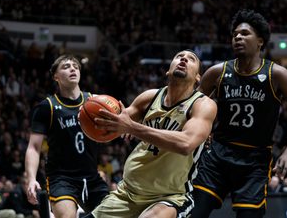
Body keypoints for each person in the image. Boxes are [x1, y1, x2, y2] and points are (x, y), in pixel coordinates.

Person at [191, 9, 287, 218]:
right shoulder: (216, 72)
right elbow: (189, 109)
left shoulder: (276, 74)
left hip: (255, 161)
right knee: (193, 213)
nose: (238, 37)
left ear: (260, 41)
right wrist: (200, 132)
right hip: (218, 155)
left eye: (245, 33)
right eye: (235, 34)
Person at [84, 50, 217, 218]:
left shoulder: (203, 105)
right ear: (168, 70)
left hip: (170, 197)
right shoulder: (149, 97)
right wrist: (92, 114)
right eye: (178, 57)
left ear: (198, 77)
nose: (183, 59)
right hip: (127, 193)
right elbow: (114, 125)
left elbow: (185, 144)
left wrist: (132, 128)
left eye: (191, 59)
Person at [25, 55, 109, 218]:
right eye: (66, 66)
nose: (72, 68)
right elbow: (34, 147)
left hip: (92, 176)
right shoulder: (47, 107)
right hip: (62, 178)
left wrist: (125, 126)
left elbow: (121, 116)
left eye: (75, 66)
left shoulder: (95, 101)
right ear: (55, 76)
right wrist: (31, 179)